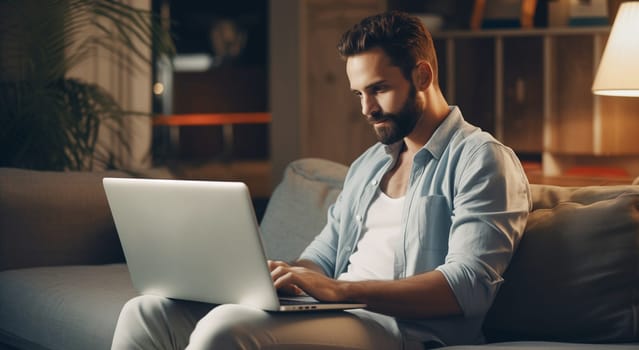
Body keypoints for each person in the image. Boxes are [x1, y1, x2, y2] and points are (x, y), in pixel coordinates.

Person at [111, 11, 531, 349]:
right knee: (146, 311)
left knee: (225, 330)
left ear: (422, 76)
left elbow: (469, 287)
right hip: (337, 312)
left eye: (379, 89)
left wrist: (339, 291)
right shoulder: (369, 164)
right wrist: (285, 276)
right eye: (358, 94)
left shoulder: (481, 159)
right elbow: (324, 255)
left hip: (402, 329)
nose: (366, 109)